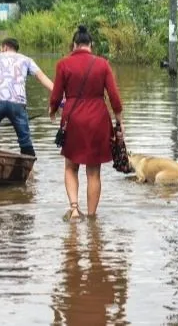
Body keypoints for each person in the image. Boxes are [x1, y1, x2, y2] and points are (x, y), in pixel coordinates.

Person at [48, 25, 124, 220]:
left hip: (73, 120)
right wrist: (119, 121)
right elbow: (114, 96)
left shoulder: (63, 64)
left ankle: (74, 209)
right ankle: (91, 218)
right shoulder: (103, 64)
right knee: (94, 173)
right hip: (98, 120)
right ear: (91, 44)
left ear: (74, 45)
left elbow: (56, 95)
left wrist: (53, 110)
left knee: (70, 167)